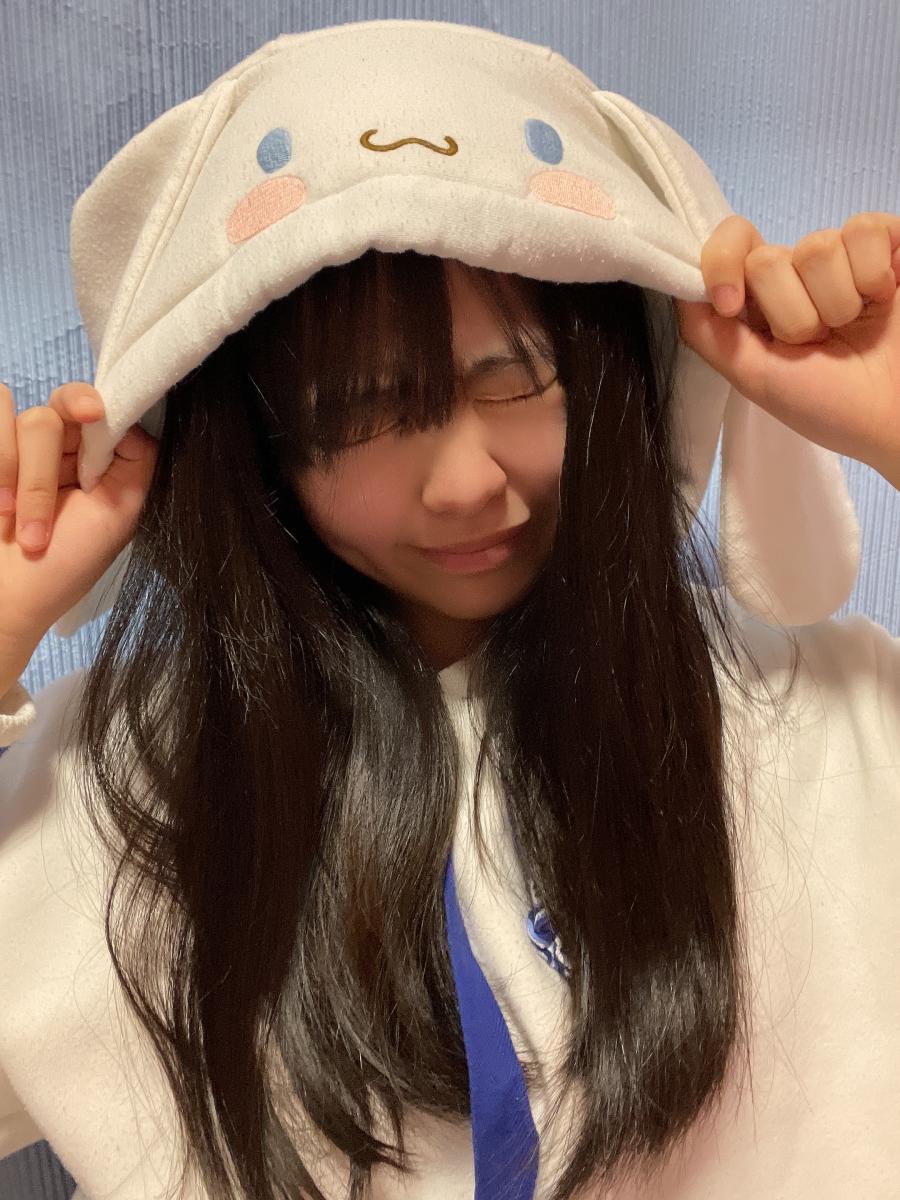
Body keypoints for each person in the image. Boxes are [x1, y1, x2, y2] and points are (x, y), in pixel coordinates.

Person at [1, 19, 899, 1200]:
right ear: (252, 446)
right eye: (361, 414)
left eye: (516, 378)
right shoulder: (113, 789)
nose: (467, 483)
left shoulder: (833, 722)